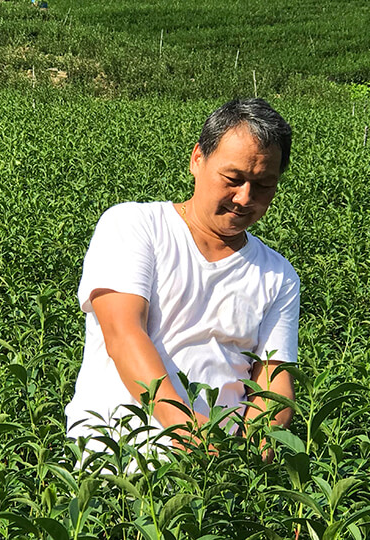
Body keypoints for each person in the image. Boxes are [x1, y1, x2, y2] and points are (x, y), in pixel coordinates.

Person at [65, 98, 299, 458]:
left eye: (264, 185)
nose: (244, 197)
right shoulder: (134, 226)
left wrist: (256, 447)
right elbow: (123, 333)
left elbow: (273, 375)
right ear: (197, 159)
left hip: (215, 476)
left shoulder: (278, 273)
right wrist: (187, 430)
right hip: (117, 459)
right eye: (233, 179)